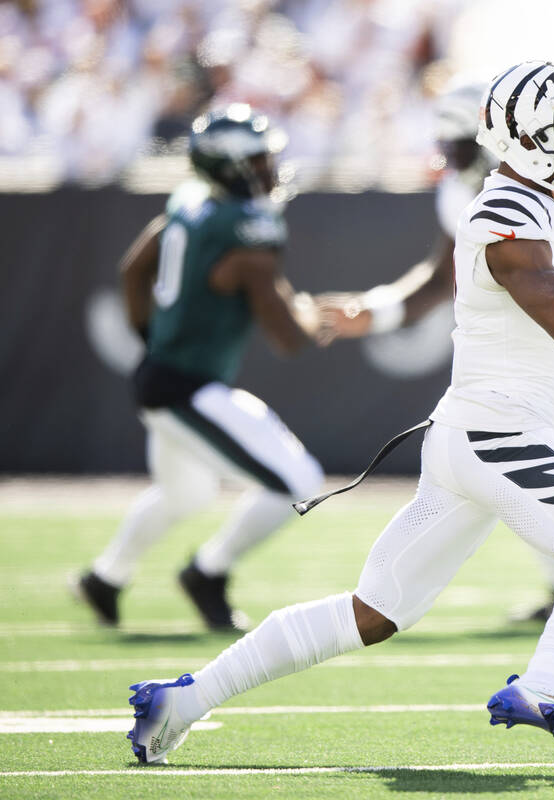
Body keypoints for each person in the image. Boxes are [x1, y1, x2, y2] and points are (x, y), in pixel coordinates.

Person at [122, 60, 554, 764]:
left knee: (372, 612)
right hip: (499, 435)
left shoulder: (548, 208)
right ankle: (544, 685)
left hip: (472, 439)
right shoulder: (506, 207)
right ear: (530, 138)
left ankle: (183, 699)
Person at [317, 81, 554, 631]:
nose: (451, 152)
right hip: (550, 338)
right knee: (532, 459)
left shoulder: (548, 194)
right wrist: (374, 311)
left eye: (460, 140)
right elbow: (440, 281)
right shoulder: (473, 196)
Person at [75, 104, 326, 632]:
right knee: (299, 479)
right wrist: (314, 320)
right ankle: (208, 572)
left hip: (165, 378)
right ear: (228, 167)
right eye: (257, 160)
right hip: (186, 389)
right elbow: (286, 337)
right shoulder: (248, 230)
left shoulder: (189, 203)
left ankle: (105, 577)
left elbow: (132, 269)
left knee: (186, 494)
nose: (269, 169)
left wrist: (154, 340)